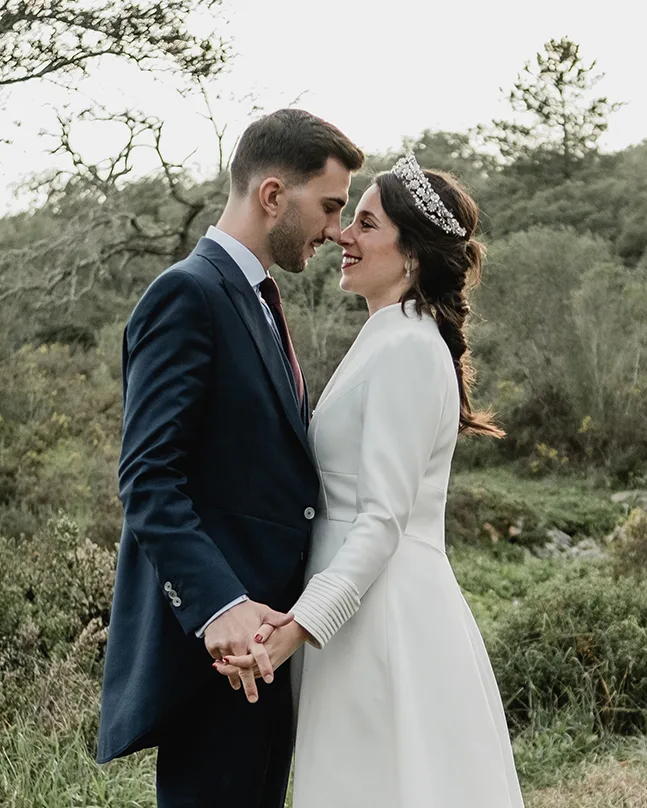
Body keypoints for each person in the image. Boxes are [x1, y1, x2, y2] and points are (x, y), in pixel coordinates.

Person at [215, 154, 524, 807]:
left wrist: (299, 625)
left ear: (410, 252)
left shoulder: (409, 347)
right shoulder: (388, 336)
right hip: (354, 617)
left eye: (365, 224)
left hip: (382, 620)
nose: (341, 237)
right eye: (346, 219)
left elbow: (382, 518)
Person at [95, 108, 362, 808]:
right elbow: (148, 478)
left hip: (267, 645)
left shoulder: (258, 300)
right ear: (273, 195)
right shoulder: (188, 293)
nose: (336, 229)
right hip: (220, 654)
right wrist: (219, 608)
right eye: (329, 206)